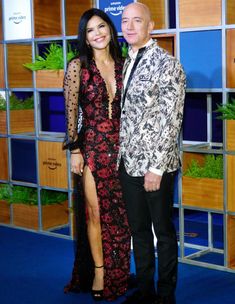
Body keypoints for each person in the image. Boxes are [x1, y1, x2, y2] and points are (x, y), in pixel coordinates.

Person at [118, 3, 186, 304]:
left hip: (155, 167)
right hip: (128, 163)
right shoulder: (126, 61)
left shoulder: (167, 63)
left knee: (163, 233)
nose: (130, 26)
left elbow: (171, 120)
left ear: (151, 25)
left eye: (137, 21)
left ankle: (166, 295)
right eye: (125, 21)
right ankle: (145, 291)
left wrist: (156, 168)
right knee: (139, 232)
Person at [63, 8, 131, 301]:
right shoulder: (78, 66)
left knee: (122, 216)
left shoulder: (124, 64)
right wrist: (75, 149)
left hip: (124, 149)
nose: (97, 33)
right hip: (93, 148)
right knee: (95, 214)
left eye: (101, 27)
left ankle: (120, 270)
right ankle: (101, 272)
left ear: (110, 29)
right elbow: (70, 113)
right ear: (85, 37)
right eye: (90, 30)